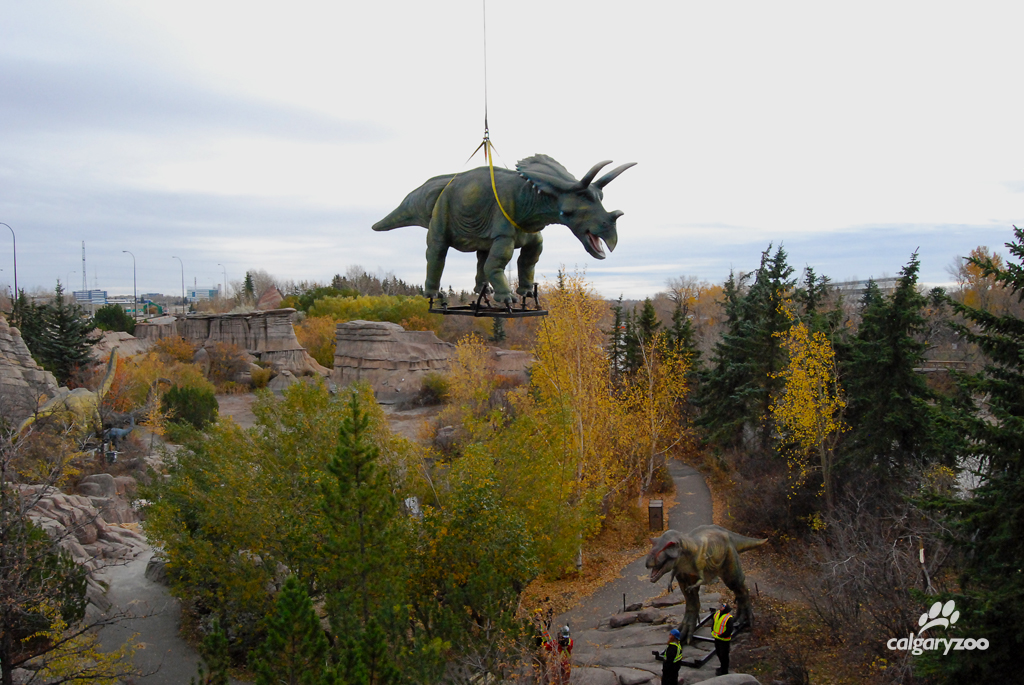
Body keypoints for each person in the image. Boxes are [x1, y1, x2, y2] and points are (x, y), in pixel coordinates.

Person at [712, 603, 734, 676]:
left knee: (724, 655)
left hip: (724, 640)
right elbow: (714, 622)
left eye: (723, 606)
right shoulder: (717, 613)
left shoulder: (729, 618)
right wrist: (712, 630)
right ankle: (722, 667)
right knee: (718, 653)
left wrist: (723, 635)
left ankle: (724, 670)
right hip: (717, 638)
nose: (721, 607)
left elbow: (730, 629)